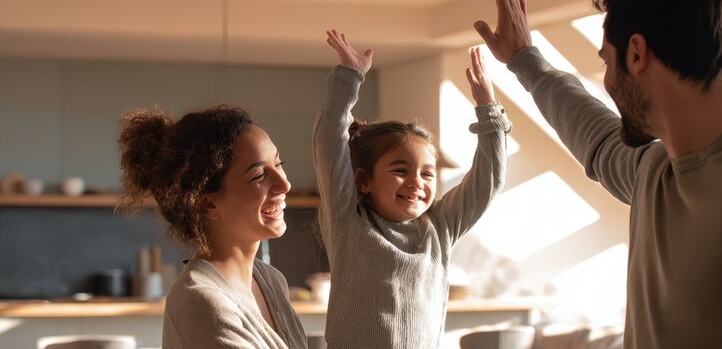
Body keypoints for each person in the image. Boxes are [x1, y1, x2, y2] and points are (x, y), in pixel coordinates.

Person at [474, 0, 722, 347]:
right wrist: (523, 59)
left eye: (606, 62)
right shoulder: (654, 171)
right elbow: (595, 134)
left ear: (637, 53)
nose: (608, 82)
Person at [312, 29, 512, 348]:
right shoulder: (348, 221)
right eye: (400, 170)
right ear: (363, 181)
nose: (417, 182)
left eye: (427, 174)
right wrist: (349, 76)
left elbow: (488, 181)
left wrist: (489, 110)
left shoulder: (439, 228)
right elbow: (329, 141)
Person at [118, 105, 308, 349]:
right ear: (208, 203)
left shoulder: (271, 281)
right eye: (259, 175)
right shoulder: (202, 301)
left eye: (279, 164)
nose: (285, 184)